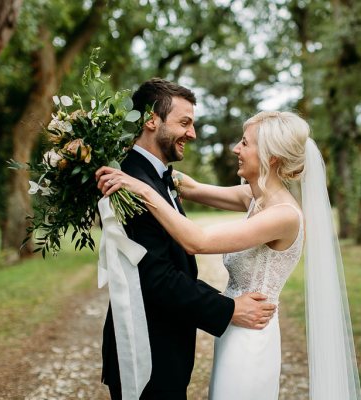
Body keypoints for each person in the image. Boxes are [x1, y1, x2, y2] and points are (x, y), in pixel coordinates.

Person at [98, 110, 361, 399]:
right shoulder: (256, 197)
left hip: (251, 337)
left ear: (271, 156)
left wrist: (145, 191)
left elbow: (196, 241)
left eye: (245, 143)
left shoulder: (283, 216)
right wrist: (111, 151)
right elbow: (190, 186)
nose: (236, 148)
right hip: (233, 330)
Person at [95, 78, 277, 400]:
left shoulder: (157, 178)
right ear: (151, 120)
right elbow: (155, 277)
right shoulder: (129, 183)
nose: (192, 133)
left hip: (166, 344)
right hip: (145, 347)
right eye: (184, 122)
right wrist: (228, 309)